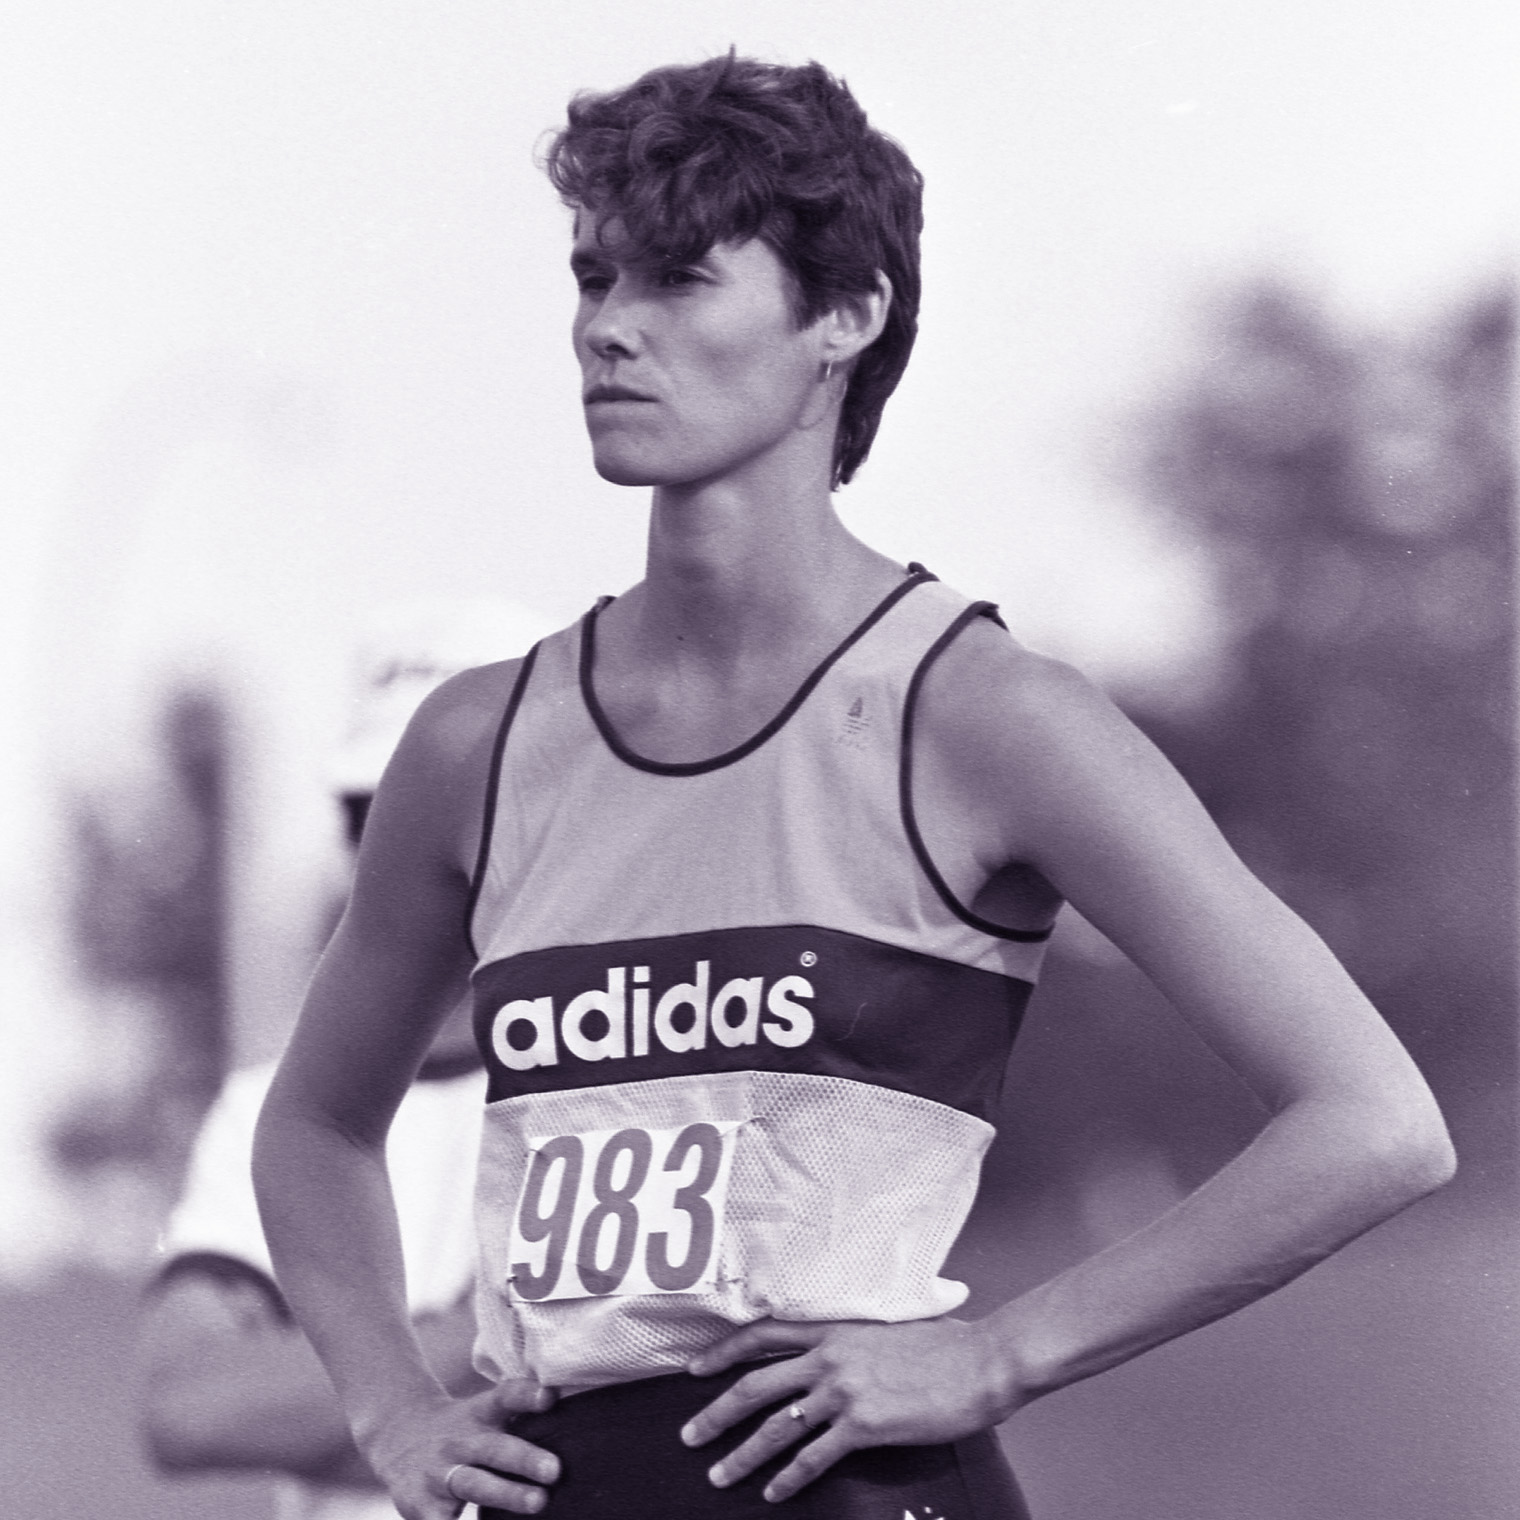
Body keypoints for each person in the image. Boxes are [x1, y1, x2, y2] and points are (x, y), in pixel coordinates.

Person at [252, 54, 1456, 1520]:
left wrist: (1005, 1352)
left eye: (679, 280)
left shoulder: (987, 717)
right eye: (593, 278)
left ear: (846, 314)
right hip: (557, 1486)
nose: (608, 331)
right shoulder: (472, 746)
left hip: (862, 1490)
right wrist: (387, 1407)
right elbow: (313, 1130)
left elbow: (1374, 1121)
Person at [143, 602, 546, 1520]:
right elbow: (189, 1408)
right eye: (371, 813)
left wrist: (341, 1374)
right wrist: (528, 1329)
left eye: (454, 806)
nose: (406, 844)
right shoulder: (265, 1109)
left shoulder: (649, 1070)